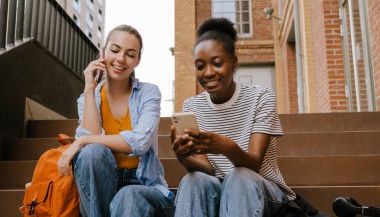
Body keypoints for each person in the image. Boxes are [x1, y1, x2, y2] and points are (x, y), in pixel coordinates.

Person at [171, 18, 297, 217]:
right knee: (192, 179)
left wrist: (225, 146)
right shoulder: (191, 106)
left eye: (217, 63)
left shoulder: (261, 97)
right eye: (200, 66)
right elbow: (207, 172)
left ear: (234, 63)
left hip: (261, 191)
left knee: (239, 177)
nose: (208, 73)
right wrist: (185, 158)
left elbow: (253, 164)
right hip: (218, 191)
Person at [57, 24, 175, 217]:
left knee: (127, 195)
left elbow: (140, 142)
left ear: (137, 61)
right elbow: (90, 151)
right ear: (102, 53)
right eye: (115, 50)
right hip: (101, 189)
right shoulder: (88, 98)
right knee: (91, 153)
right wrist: (89, 89)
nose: (121, 58)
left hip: (143, 187)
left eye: (130, 54)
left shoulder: (148, 93)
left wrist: (81, 140)